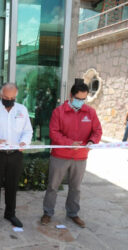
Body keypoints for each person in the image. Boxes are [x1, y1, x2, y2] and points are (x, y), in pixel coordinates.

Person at [41, 82, 102, 228]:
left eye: (84, 99)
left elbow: (97, 131)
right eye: (78, 98)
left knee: (76, 187)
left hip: (80, 157)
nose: (80, 102)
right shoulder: (59, 112)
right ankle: (48, 213)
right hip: (60, 156)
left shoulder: (90, 112)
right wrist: (69, 143)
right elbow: (53, 132)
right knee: (53, 186)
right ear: (70, 96)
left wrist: (92, 141)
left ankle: (73, 213)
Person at [0, 83, 33, 228]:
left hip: (16, 155)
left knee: (12, 186)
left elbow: (28, 131)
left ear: (16, 96)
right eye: (6, 97)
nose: (9, 100)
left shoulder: (22, 110)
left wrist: (24, 142)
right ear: (1, 94)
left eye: (12, 97)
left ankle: (10, 214)